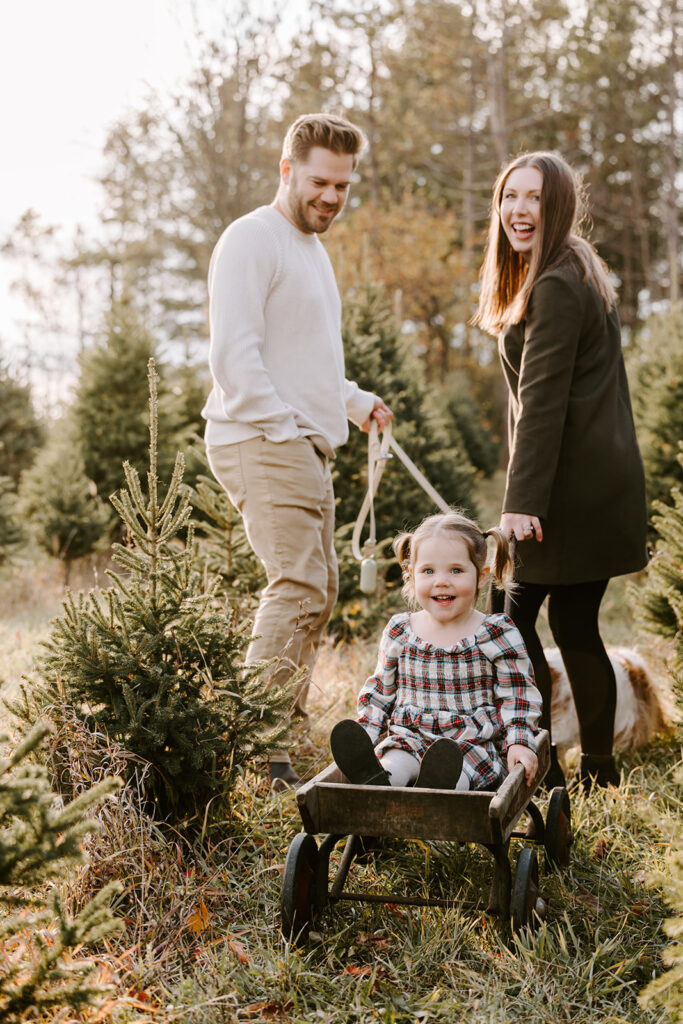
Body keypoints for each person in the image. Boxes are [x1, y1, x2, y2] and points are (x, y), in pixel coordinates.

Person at [203, 113, 392, 791]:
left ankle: (283, 736)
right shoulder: (252, 239)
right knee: (298, 584)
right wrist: (283, 428)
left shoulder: (312, 250)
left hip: (302, 439)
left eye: (342, 186)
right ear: (287, 170)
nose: (331, 198)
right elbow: (235, 354)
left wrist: (352, 400)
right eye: (319, 182)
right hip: (261, 437)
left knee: (322, 589)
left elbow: (304, 359)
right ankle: (256, 747)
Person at [473, 151, 648, 790]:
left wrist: (521, 503)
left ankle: (534, 772)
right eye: (510, 196)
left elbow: (542, 401)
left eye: (536, 199)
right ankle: (595, 774)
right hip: (595, 486)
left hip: (566, 494)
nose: (519, 210)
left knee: (509, 623)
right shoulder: (575, 267)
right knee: (574, 624)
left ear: (561, 207)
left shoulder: (553, 282)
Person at [330, 511, 542, 792]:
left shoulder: (495, 633)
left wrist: (518, 742)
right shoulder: (401, 631)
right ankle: (380, 780)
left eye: (455, 570)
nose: (441, 581)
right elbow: (380, 692)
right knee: (395, 762)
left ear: (481, 577)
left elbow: (517, 696)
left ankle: (438, 790)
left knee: (455, 775)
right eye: (428, 571)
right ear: (412, 575)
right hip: (411, 739)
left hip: (470, 748)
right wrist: (367, 737)